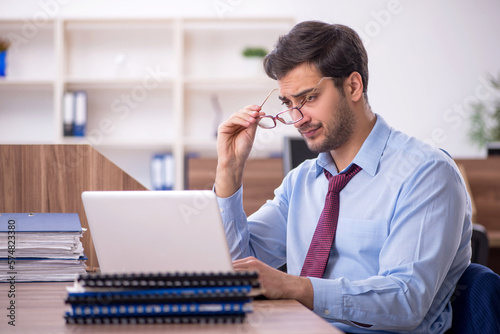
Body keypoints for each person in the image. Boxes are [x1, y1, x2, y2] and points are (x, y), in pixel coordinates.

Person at [214, 20, 472, 334]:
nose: (297, 119)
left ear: (353, 86)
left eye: (308, 98)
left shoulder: (426, 174)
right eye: (288, 104)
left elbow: (406, 301)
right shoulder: (302, 182)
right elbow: (238, 269)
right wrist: (229, 170)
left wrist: (297, 288)